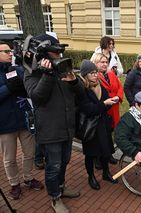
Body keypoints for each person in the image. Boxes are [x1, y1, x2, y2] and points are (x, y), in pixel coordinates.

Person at [23, 34, 83, 213]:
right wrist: (47, 75)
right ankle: (54, 197)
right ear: (45, 54)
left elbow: (80, 93)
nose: (59, 56)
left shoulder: (63, 68)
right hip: (50, 130)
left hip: (67, 127)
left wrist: (74, 81)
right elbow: (37, 97)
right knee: (53, 166)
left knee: (64, 161)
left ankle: (61, 188)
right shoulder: (31, 73)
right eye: (56, 52)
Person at [0, 41, 44, 200]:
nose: (10, 54)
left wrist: (24, 88)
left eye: (10, 51)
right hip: (5, 124)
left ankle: (28, 177)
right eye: (5, 51)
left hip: (24, 120)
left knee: (30, 153)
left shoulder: (17, 69)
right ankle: (14, 184)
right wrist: (9, 88)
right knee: (9, 158)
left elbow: (29, 88)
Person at [78, 60, 118, 190]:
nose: (95, 75)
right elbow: (88, 109)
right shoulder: (82, 89)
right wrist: (104, 104)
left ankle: (106, 172)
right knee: (90, 154)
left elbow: (104, 105)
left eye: (96, 72)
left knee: (105, 151)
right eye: (92, 73)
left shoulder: (100, 85)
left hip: (103, 124)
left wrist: (111, 101)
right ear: (85, 75)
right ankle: (91, 176)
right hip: (90, 127)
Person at [90, 53, 123, 165]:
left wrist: (118, 96)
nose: (105, 64)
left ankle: (108, 154)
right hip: (102, 109)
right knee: (100, 135)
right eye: (102, 62)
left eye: (106, 62)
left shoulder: (111, 74)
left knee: (109, 133)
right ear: (95, 63)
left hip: (113, 108)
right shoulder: (93, 76)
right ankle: (98, 158)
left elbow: (119, 86)